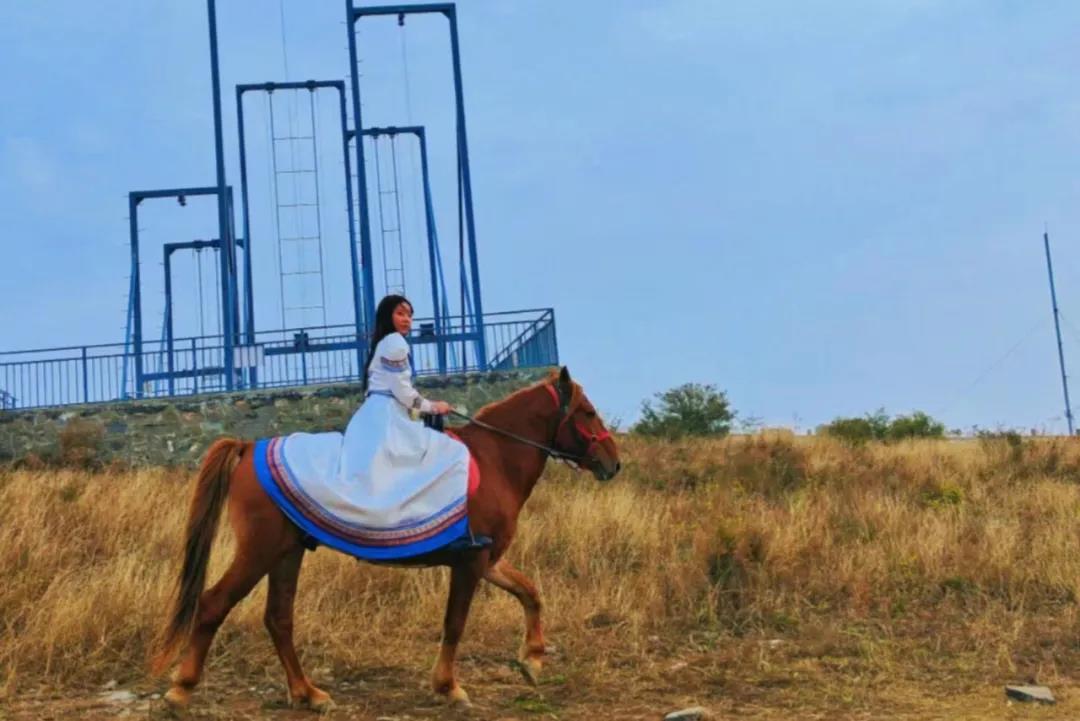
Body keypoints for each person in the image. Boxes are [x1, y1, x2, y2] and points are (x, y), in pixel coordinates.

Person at [336, 295, 467, 504]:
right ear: (387, 317)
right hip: (388, 418)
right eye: (400, 314)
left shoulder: (384, 343)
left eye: (409, 315)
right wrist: (434, 407)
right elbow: (404, 393)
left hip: (375, 414)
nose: (407, 320)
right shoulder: (395, 343)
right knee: (445, 453)